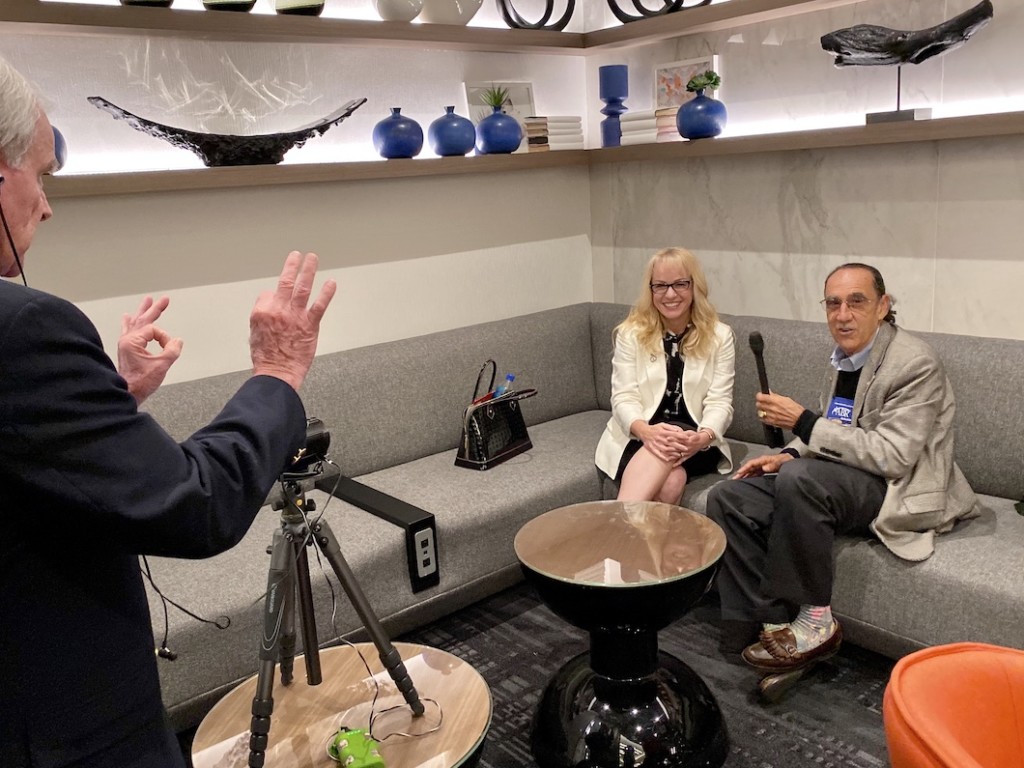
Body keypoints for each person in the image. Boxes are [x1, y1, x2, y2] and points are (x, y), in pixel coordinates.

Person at [0, 56, 337, 767]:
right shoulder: (23, 330)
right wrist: (277, 374)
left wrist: (112, 400)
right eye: (41, 174)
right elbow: (195, 504)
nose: (49, 205)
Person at [706, 263, 980, 672]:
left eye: (857, 301)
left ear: (883, 306)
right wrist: (791, 454)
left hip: (898, 486)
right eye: (833, 303)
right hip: (847, 478)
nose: (842, 314)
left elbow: (894, 456)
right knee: (731, 496)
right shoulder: (847, 356)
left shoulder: (914, 363)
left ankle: (816, 621)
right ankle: (766, 622)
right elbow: (838, 427)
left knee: (801, 482)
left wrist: (801, 423)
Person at [595, 247, 735, 504]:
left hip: (694, 441)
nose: (670, 294)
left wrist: (703, 438)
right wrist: (646, 431)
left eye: (680, 284)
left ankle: (615, 530)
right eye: (660, 286)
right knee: (672, 481)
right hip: (639, 434)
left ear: (694, 286)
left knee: (671, 443)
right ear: (650, 290)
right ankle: (645, 544)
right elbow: (623, 398)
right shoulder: (631, 333)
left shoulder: (720, 336)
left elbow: (720, 402)